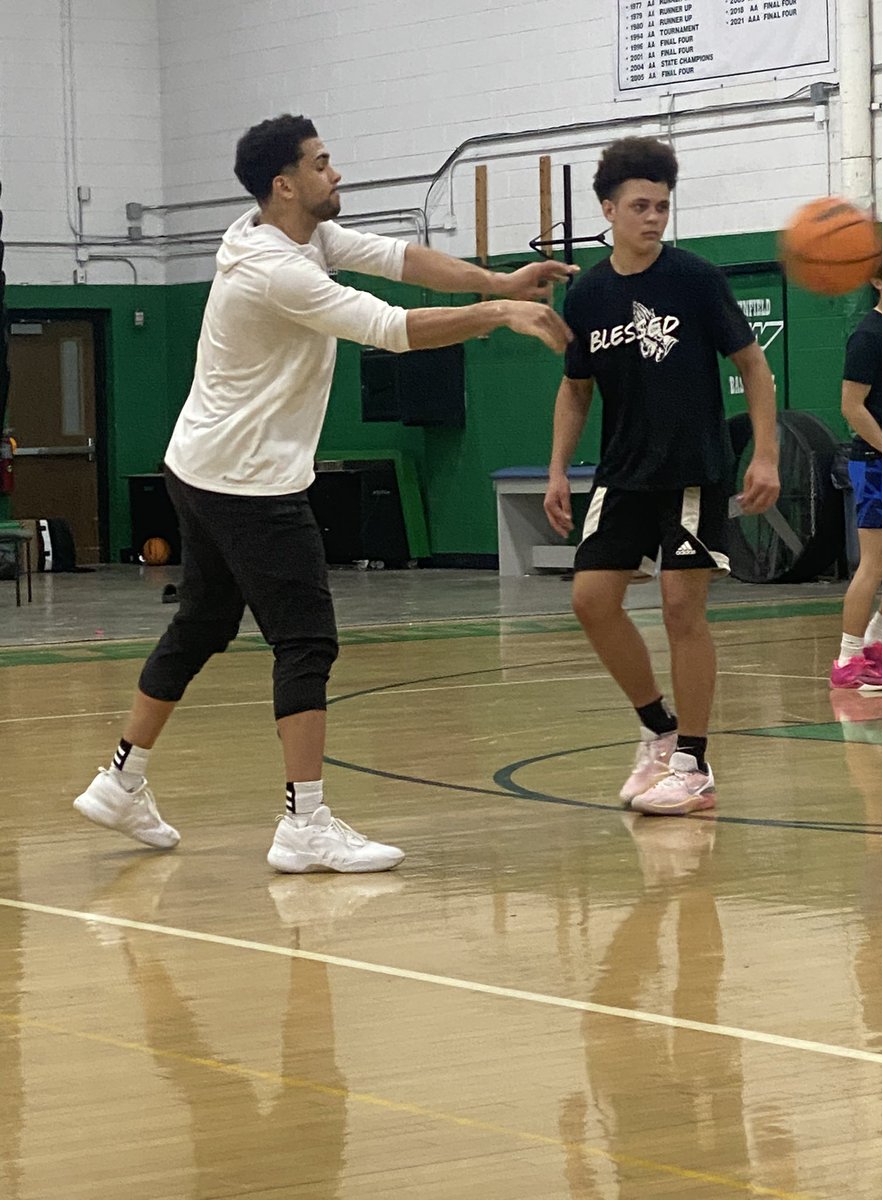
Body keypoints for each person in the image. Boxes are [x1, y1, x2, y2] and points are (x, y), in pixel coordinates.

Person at [74, 113, 575, 872]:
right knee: (306, 640)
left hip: (201, 466)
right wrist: (501, 314)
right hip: (247, 481)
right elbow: (391, 326)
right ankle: (304, 824)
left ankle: (120, 782)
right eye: (322, 162)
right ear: (286, 184)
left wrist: (496, 280)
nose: (335, 173)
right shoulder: (278, 271)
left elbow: (402, 260)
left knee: (204, 623)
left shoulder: (300, 237)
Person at [543, 136, 779, 816]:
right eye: (640, 206)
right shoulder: (587, 294)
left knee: (682, 610)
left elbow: (753, 366)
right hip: (622, 473)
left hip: (692, 470)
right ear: (608, 210)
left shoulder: (696, 279)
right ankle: (656, 727)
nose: (653, 218)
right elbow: (576, 388)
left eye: (662, 207)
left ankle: (694, 765)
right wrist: (559, 468)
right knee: (591, 600)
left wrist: (765, 453)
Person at [830, 239, 882, 691]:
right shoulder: (869, 336)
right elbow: (851, 406)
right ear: (879, 280)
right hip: (878, 462)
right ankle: (847, 660)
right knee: (876, 562)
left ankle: (876, 645)